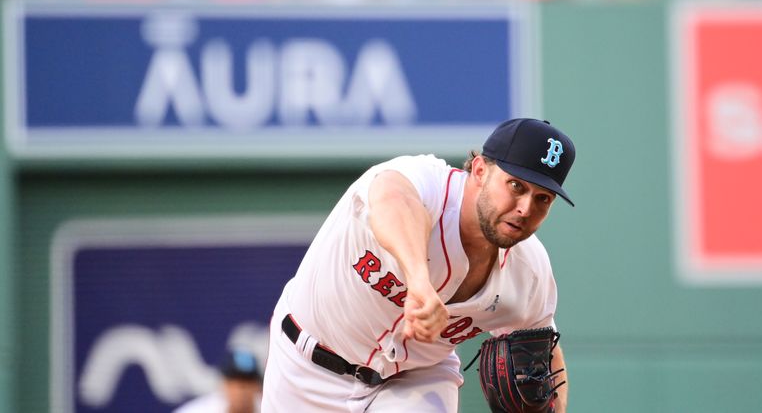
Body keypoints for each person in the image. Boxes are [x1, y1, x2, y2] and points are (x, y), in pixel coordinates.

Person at [262, 118, 576, 412]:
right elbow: (393, 200)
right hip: (304, 368)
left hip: (415, 380)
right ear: (480, 170)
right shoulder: (425, 182)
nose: (525, 208)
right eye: (516, 186)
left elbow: (544, 353)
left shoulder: (529, 270)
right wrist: (418, 280)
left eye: (543, 198)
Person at [175, 348, 263, 413]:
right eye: (234, 382)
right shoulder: (200, 410)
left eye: (248, 381)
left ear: (258, 386)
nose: (241, 389)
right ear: (223, 384)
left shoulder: (270, 408)